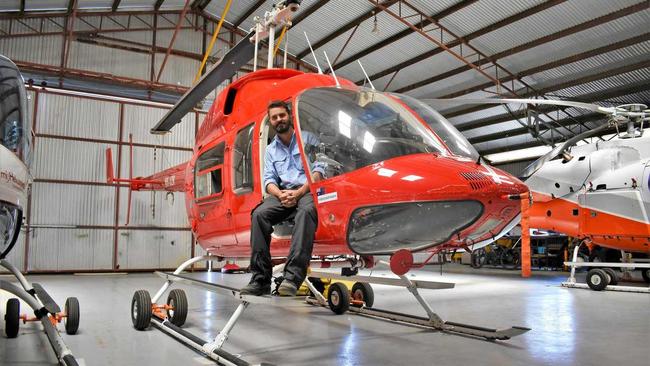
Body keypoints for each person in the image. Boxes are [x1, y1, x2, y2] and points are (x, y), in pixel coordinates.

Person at [240, 100, 324, 296]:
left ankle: (293, 277)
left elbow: (319, 169)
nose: (279, 120)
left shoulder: (308, 139)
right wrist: (280, 194)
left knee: (307, 211)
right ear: (271, 121)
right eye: (274, 117)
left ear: (290, 116)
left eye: (282, 115)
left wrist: (301, 192)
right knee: (259, 215)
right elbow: (269, 180)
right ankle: (260, 279)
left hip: (306, 190)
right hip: (283, 193)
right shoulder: (270, 149)